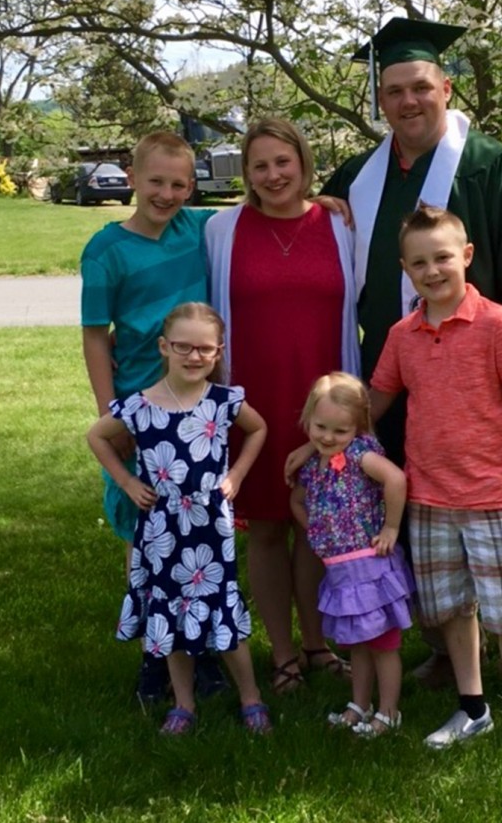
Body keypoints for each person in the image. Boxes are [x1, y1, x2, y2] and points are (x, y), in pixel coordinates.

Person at [321, 16, 502, 724]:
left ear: (447, 86)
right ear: (380, 101)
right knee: (424, 520)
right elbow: (316, 217)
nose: (409, 102)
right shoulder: (361, 174)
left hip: (482, 383)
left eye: (421, 87)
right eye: (393, 91)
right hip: (401, 372)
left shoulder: (491, 165)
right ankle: (450, 651)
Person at [369, 206, 502, 759]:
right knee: (455, 609)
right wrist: (324, 433)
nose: (432, 270)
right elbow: (377, 402)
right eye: (419, 262)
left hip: (494, 497)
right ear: (405, 269)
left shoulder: (498, 324)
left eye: (442, 257)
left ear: (465, 256)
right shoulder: (402, 335)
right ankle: (473, 708)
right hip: (430, 497)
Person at [205, 118, 361, 694]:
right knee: (268, 528)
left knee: (319, 523)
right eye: (260, 165)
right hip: (256, 404)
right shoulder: (222, 230)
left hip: (325, 400)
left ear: (303, 163)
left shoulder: (342, 225)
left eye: (283, 162)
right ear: (245, 173)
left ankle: (319, 644)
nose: (273, 175)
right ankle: (284, 654)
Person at [81, 130, 222, 703]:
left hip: (202, 408)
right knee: (147, 532)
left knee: (200, 530)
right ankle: (156, 654)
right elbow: (95, 337)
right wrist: (110, 411)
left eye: (179, 183)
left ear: (192, 185)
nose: (167, 193)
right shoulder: (106, 249)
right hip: (144, 406)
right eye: (156, 181)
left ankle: (204, 648)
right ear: (132, 178)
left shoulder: (198, 227)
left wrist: (325, 202)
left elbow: (265, 208)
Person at [86, 301, 272, 736]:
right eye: (183, 347)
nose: (194, 357)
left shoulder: (224, 402)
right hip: (162, 531)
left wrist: (237, 475)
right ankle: (184, 703)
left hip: (210, 527)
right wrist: (127, 483)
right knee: (170, 614)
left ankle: (251, 697)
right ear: (164, 347)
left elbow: (259, 429)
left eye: (204, 349)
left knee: (223, 611)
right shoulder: (139, 407)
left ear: (219, 352)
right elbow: (96, 436)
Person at [289, 372, 414, 735]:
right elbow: (296, 499)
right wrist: (315, 529)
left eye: (339, 431)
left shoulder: (361, 454)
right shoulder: (314, 466)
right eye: (320, 427)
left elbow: (396, 479)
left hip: (370, 567)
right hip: (339, 570)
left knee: (383, 643)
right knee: (357, 643)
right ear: (308, 420)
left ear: (357, 427)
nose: (328, 437)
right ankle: (359, 704)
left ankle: (389, 711)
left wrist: (390, 527)